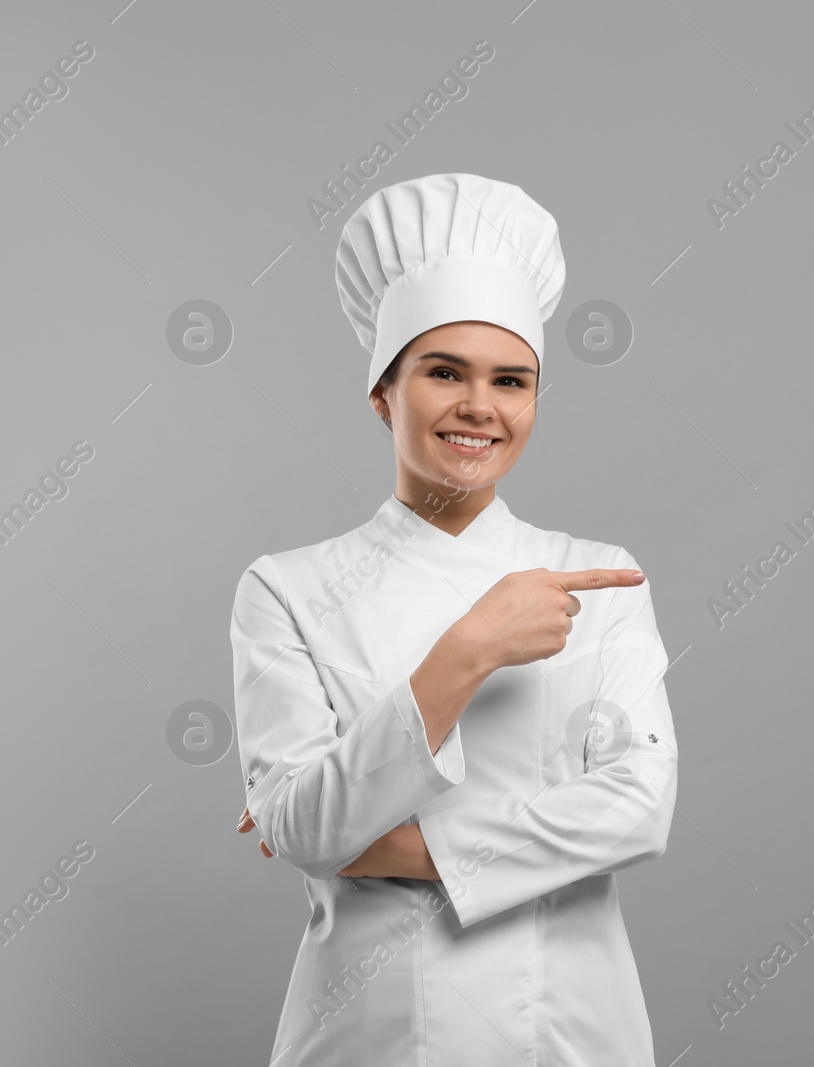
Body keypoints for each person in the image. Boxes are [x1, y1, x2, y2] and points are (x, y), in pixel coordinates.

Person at [229, 172, 678, 1065]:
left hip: (568, 1025)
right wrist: (468, 650)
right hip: (370, 1030)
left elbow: (638, 806)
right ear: (383, 394)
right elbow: (308, 832)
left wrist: (393, 846)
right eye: (444, 372)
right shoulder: (285, 588)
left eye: (511, 380)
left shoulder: (598, 578)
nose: (481, 405)